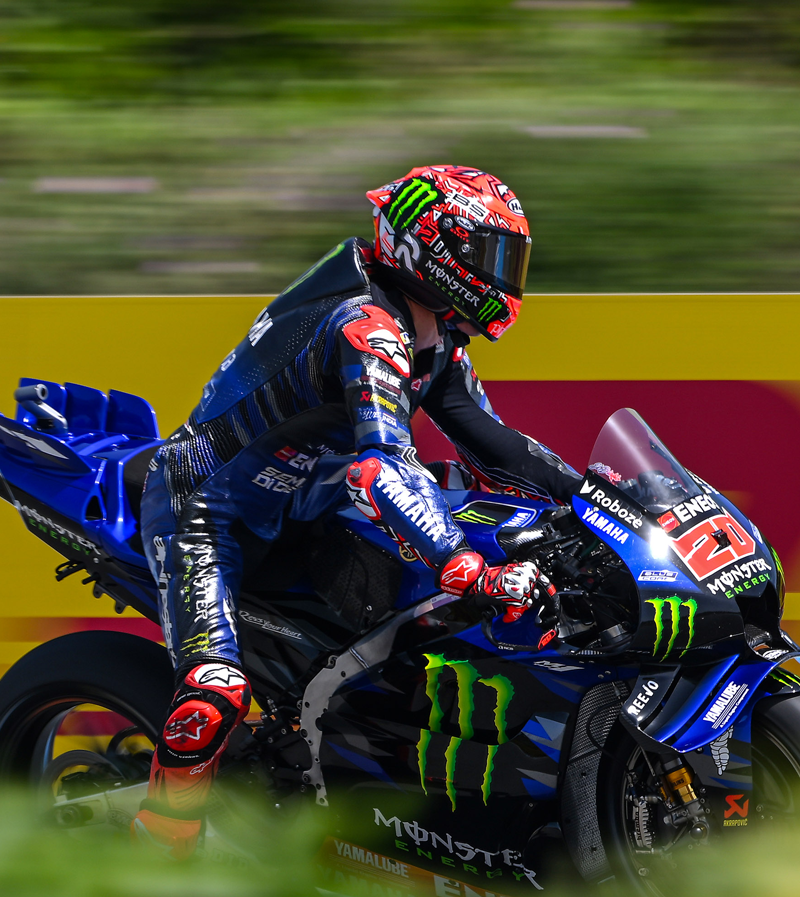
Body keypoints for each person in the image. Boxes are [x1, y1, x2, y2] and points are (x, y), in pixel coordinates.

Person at [133, 164, 581, 858]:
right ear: (431, 245)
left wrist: (590, 498)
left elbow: (495, 447)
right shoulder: (365, 328)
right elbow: (383, 466)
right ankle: (155, 854)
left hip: (312, 507)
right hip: (206, 512)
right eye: (491, 255)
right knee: (213, 694)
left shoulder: (432, 334)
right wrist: (464, 565)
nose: (505, 275)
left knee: (432, 603)